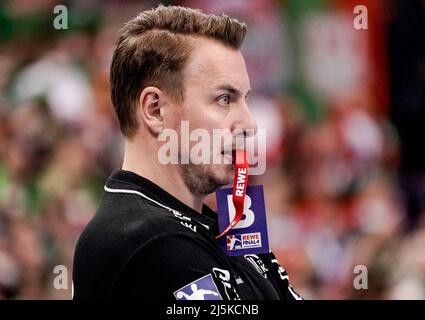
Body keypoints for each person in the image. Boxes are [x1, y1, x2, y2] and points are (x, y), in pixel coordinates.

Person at [72, 5, 302, 300]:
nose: (249, 123)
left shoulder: (219, 224)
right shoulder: (144, 240)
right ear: (155, 110)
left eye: (245, 99)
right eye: (224, 99)